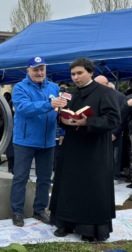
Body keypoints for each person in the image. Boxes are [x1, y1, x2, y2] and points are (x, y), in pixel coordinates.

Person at [49, 58, 120, 242]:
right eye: (73, 74)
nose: (76, 77)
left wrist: (88, 122)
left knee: (91, 188)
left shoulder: (104, 92)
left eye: (79, 73)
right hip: (73, 147)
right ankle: (66, 224)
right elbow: (63, 117)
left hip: (94, 150)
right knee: (69, 187)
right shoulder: (71, 95)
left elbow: (113, 119)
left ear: (90, 72)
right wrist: (63, 120)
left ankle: (89, 229)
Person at [10, 56, 67, 227]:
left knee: (45, 178)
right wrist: (49, 104)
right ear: (28, 70)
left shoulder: (54, 87)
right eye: (35, 69)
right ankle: (17, 212)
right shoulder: (20, 87)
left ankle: (40, 209)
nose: (39, 72)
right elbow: (23, 108)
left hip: (48, 141)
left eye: (42, 69)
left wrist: (63, 127)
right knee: (20, 177)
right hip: (25, 142)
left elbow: (60, 111)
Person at [95, 75, 126, 183]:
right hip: (102, 130)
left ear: (106, 84)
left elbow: (122, 116)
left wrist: (116, 132)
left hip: (115, 131)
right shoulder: (98, 95)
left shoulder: (119, 97)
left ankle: (115, 176)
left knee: (115, 156)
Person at [3, 92, 14, 173]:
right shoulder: (12, 102)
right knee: (10, 151)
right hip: (11, 128)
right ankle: (11, 167)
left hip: (17, 129)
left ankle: (12, 167)